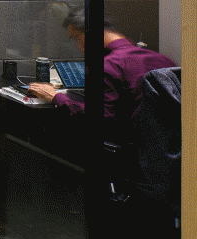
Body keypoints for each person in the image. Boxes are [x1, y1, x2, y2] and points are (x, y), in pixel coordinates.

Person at [27, 9, 175, 147]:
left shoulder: (108, 65)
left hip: (127, 149)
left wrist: (56, 97)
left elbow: (102, 119)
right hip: (167, 148)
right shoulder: (163, 60)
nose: (78, 47)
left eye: (76, 38)